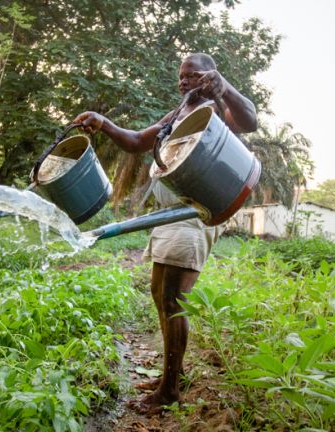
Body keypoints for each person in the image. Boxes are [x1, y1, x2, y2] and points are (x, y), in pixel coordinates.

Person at [73, 53, 257, 414]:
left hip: (191, 214)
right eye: (181, 75)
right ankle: (173, 376)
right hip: (169, 216)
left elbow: (249, 120)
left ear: (209, 76)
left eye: (192, 75)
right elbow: (137, 141)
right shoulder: (178, 114)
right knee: (160, 294)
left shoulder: (215, 111)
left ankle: (169, 392)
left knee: (174, 302)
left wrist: (224, 87)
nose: (183, 81)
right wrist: (104, 123)